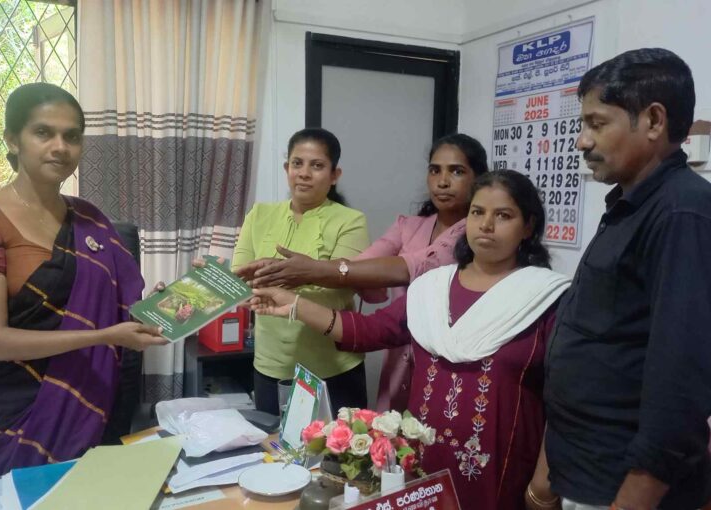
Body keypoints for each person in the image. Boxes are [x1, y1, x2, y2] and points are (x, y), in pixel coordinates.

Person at [249, 170, 571, 509]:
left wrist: (542, 488)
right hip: (423, 472)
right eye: (478, 212)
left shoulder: (545, 299)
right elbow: (367, 330)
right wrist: (294, 305)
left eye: (503, 215)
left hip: (504, 479)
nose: (487, 225)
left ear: (528, 226)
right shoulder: (432, 289)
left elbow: (567, 404)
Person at [544, 48, 711, 510]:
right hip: (586, 472)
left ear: (654, 121)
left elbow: (680, 380)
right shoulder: (630, 205)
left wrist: (631, 502)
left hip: (623, 489)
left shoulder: (683, 212)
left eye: (597, 124)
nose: (582, 141)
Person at [238, 133, 488, 412]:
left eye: (456, 171)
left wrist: (311, 271)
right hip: (400, 352)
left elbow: (407, 266)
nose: (442, 181)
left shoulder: (474, 234)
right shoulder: (410, 226)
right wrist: (324, 272)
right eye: (435, 170)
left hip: (448, 358)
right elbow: (361, 265)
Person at [0, 83, 166, 476]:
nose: (60, 147)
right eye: (43, 132)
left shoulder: (89, 220)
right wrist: (102, 336)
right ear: (13, 139)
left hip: (92, 403)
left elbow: (118, 306)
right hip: (12, 417)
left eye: (71, 136)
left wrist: (160, 309)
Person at [231, 128, 371, 416]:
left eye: (317, 165)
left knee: (337, 445)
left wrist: (288, 279)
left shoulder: (351, 221)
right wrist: (213, 277)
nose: (304, 173)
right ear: (287, 169)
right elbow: (240, 280)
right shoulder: (259, 215)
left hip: (332, 368)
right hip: (270, 366)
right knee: (273, 444)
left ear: (334, 175)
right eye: (297, 163)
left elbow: (341, 291)